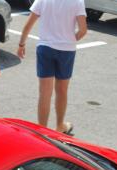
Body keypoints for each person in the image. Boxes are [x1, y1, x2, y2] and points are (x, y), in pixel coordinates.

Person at [17, 0, 87, 135]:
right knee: (62, 90)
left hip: (45, 47)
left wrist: (21, 44)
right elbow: (83, 30)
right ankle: (60, 125)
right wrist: (70, 40)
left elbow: (28, 25)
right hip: (66, 50)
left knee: (44, 93)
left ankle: (41, 131)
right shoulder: (77, 1)